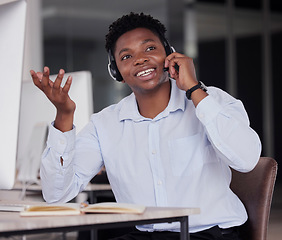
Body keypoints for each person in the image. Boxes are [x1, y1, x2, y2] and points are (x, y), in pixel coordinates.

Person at [30, 12, 261, 240]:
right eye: (126, 56)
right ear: (116, 72)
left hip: (210, 234)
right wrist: (64, 114)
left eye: (149, 48)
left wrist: (193, 89)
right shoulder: (105, 124)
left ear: (169, 54)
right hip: (144, 235)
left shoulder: (211, 101)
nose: (140, 59)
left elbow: (246, 159)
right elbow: (55, 194)